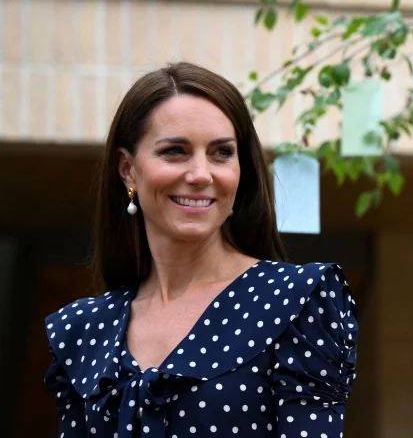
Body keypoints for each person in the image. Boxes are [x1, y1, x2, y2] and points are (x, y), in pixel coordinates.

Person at [43, 62, 358, 437]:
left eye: (221, 153)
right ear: (128, 169)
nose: (201, 174)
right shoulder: (84, 329)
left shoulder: (296, 302)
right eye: (175, 151)